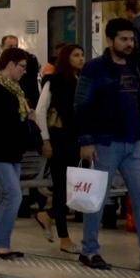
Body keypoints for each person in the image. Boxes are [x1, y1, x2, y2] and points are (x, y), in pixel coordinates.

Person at [74, 18, 140, 274]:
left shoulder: (134, 67)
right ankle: (89, 251)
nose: (129, 44)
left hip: (133, 144)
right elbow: (80, 105)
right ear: (110, 40)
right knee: (96, 199)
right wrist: (86, 140)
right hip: (105, 143)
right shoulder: (94, 69)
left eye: (131, 39)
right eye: (123, 39)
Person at [0, 47, 41, 259]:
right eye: (22, 66)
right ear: (10, 65)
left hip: (12, 150)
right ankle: (0, 243)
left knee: (8, 196)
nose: (24, 71)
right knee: (13, 195)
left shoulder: (15, 89)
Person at [33, 44, 84, 253]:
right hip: (58, 140)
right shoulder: (53, 81)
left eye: (82, 55)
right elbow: (40, 111)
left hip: (74, 141)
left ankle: (49, 215)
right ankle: (64, 238)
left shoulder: (80, 81)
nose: (81, 59)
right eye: (76, 55)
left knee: (70, 188)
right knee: (63, 187)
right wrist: (45, 140)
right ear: (66, 58)